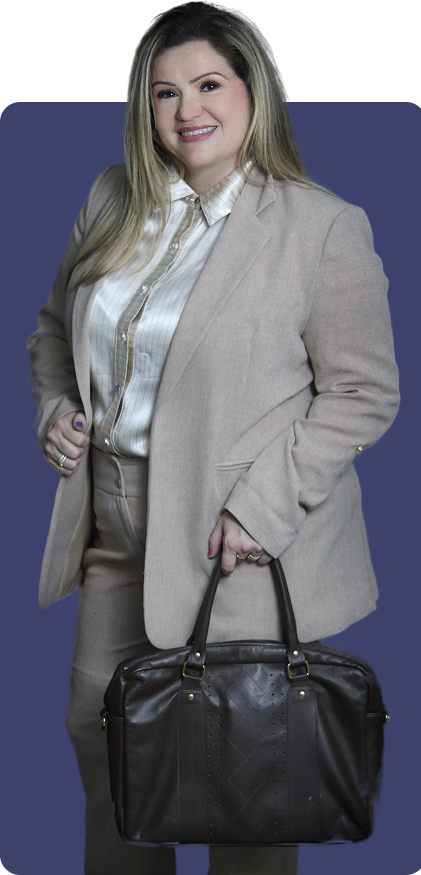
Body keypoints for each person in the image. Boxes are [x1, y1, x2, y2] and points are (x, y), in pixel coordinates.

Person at [27, 2, 400, 874]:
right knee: (106, 755)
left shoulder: (320, 226)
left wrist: (262, 505)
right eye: (165, 92)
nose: (186, 109)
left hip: (238, 544)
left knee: (247, 792)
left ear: (251, 92)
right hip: (115, 530)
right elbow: (52, 329)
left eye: (207, 85)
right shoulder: (111, 197)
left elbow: (363, 392)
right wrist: (56, 408)